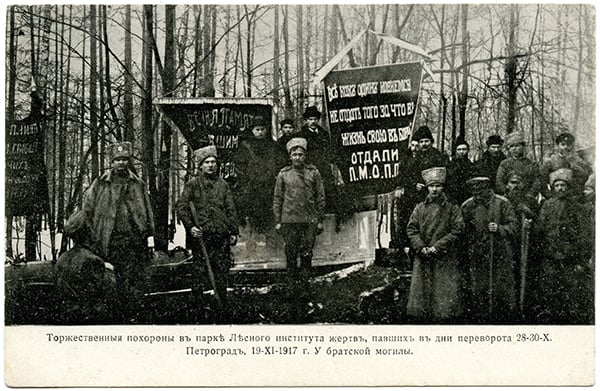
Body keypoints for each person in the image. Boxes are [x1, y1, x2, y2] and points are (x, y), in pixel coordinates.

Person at [82, 141, 155, 322]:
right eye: (117, 160)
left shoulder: (137, 184)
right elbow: (87, 210)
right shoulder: (100, 184)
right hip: (109, 241)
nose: (121, 163)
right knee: (110, 280)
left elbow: (147, 211)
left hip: (133, 240)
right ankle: (114, 316)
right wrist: (92, 236)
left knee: (133, 279)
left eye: (124, 159)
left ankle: (131, 315)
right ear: (111, 162)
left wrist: (149, 237)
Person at [176, 145, 239, 315]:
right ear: (201, 166)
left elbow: (230, 209)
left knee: (221, 270)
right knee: (199, 271)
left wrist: (233, 231)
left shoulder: (223, 185)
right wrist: (191, 227)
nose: (211, 165)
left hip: (220, 235)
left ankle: (221, 305)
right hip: (201, 237)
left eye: (213, 162)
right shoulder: (192, 185)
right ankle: (198, 306)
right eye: (207, 162)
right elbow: (181, 207)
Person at [533, 168, 594, 324]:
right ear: (553, 188)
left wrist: (582, 259)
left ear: (568, 187)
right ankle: (552, 317)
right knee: (550, 288)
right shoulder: (547, 205)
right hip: (550, 254)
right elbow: (539, 229)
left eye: (563, 185)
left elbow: (584, 234)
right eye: (557, 185)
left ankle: (571, 319)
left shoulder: (577, 207)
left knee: (571, 289)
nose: (560, 188)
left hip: (570, 256)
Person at [406, 167, 464, 322]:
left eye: (438, 186)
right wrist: (421, 247)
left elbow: (458, 229)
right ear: (427, 188)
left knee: (444, 302)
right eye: (432, 186)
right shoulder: (419, 208)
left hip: (445, 257)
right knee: (422, 299)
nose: (435, 189)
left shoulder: (452, 207)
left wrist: (437, 247)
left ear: (443, 187)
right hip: (423, 255)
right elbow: (411, 229)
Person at [461, 175, 519, 323]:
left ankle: (503, 317)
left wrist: (499, 228)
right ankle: (480, 317)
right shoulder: (467, 206)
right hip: (477, 252)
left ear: (488, 189)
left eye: (480, 192)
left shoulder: (502, 203)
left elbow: (514, 226)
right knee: (478, 286)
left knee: (501, 287)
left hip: (500, 252)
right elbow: (462, 229)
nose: (477, 196)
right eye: (474, 193)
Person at [273, 137, 325, 283]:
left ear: (305, 156)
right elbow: (278, 198)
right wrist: (278, 221)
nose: (297, 157)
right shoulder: (283, 174)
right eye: (294, 155)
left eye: (300, 155)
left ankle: (305, 284)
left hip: (309, 220)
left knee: (307, 253)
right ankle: (292, 285)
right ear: (290, 156)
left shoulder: (313, 172)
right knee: (291, 254)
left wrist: (319, 220)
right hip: (289, 220)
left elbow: (320, 197)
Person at [56, 210, 116, 323]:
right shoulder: (92, 260)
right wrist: (110, 272)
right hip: (89, 321)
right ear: (89, 233)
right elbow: (109, 293)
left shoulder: (63, 258)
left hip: (67, 320)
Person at [233, 117, 280, 254]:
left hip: (270, 189)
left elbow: (278, 164)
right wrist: (247, 183)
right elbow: (240, 168)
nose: (260, 132)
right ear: (252, 131)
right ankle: (252, 253)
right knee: (252, 223)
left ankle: (272, 252)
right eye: (257, 129)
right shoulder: (246, 146)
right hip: (252, 191)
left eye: (262, 129)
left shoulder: (273, 146)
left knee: (271, 221)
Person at [298, 106, 337, 210]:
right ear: (306, 120)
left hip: (324, 168)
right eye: (310, 119)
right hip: (309, 168)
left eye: (315, 119)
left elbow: (329, 150)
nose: (313, 121)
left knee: (327, 191)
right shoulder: (301, 135)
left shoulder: (324, 134)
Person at [540, 131, 592, 199]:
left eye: (568, 145)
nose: (566, 147)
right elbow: (541, 181)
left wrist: (573, 164)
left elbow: (586, 176)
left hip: (575, 198)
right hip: (557, 197)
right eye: (563, 144)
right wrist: (549, 196)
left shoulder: (578, 160)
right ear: (558, 146)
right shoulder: (550, 161)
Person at [495, 131, 540, 198]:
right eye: (511, 146)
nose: (514, 149)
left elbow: (536, 182)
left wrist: (530, 195)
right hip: (509, 198)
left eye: (517, 145)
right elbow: (499, 182)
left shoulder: (532, 164)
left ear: (523, 146)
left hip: (527, 198)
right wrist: (507, 193)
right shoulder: (505, 164)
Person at [446, 137, 474, 205]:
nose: (461, 152)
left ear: (468, 150)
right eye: (459, 149)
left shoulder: (471, 166)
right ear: (456, 151)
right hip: (453, 198)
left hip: (467, 197)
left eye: (464, 149)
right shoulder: (450, 165)